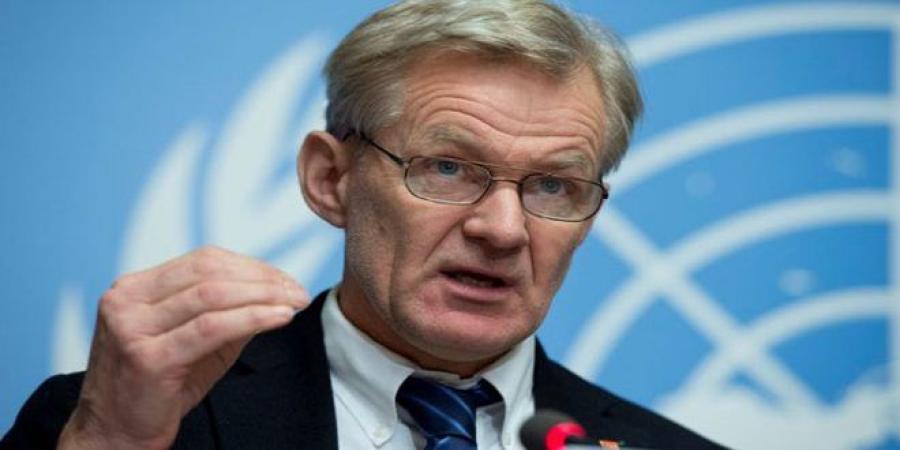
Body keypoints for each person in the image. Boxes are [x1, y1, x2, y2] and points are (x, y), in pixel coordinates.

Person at [3, 1, 726, 449]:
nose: (504, 229)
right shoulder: (125, 427)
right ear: (331, 180)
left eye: (552, 185)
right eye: (448, 167)